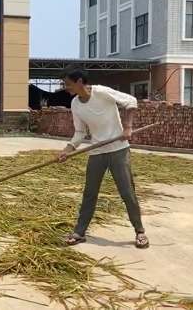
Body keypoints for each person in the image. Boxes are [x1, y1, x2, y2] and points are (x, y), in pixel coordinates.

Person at [57, 64, 149, 249]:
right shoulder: (75, 104)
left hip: (118, 149)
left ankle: (140, 231)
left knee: (127, 192)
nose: (66, 87)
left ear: (80, 81)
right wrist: (68, 149)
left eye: (68, 84)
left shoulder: (102, 93)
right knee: (90, 193)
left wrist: (128, 126)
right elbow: (80, 132)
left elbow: (131, 101)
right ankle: (79, 232)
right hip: (97, 151)